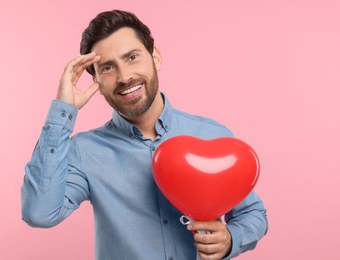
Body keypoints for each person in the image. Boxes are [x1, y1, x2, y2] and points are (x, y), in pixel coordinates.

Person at [21, 10, 268, 260]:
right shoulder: (85, 151)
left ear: (155, 58)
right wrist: (63, 111)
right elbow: (39, 213)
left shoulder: (213, 136)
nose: (125, 77)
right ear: (95, 80)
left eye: (132, 57)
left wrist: (229, 240)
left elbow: (253, 214)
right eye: (107, 68)